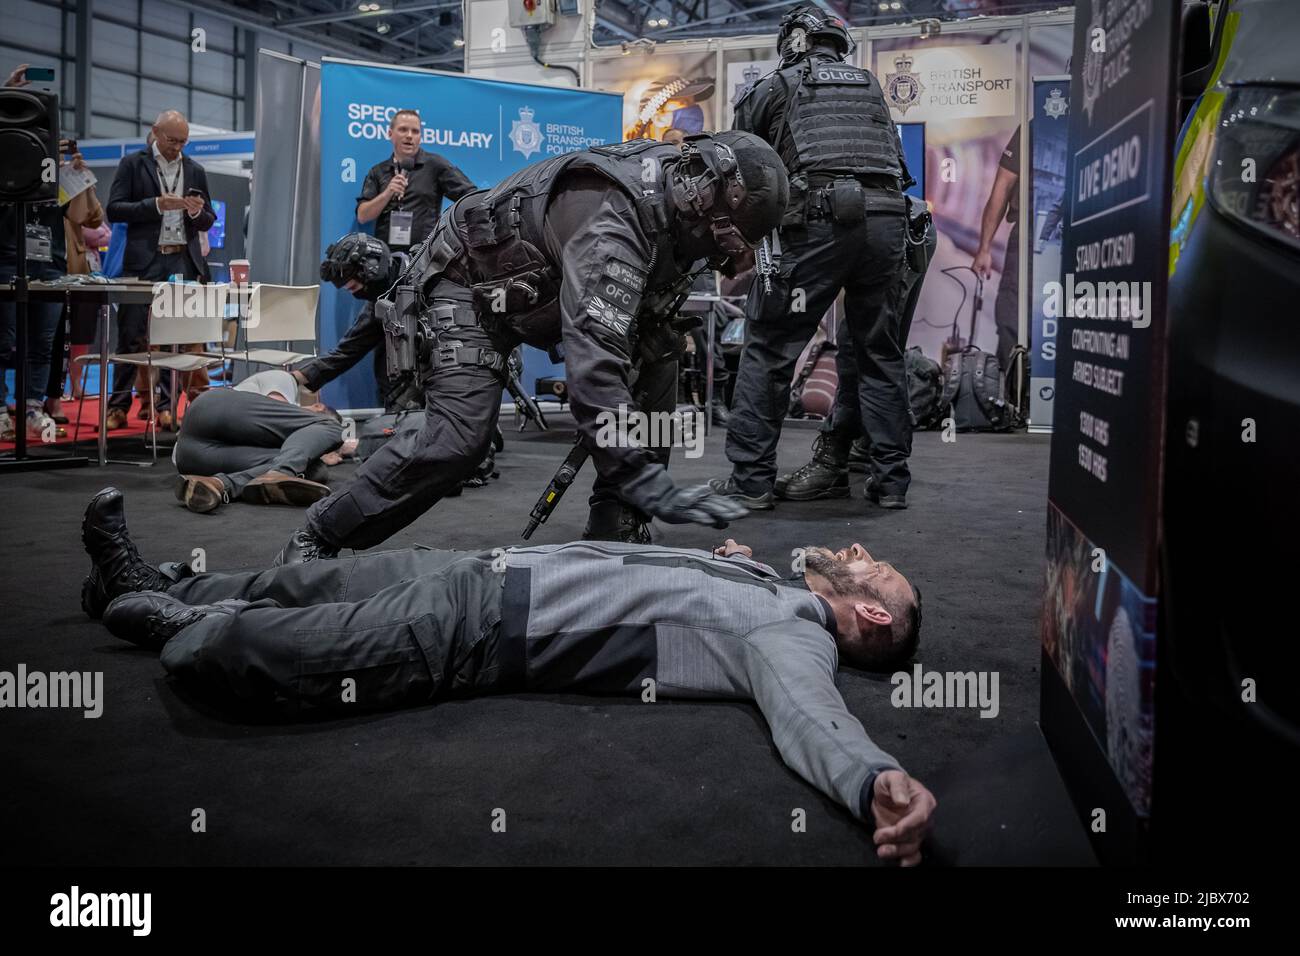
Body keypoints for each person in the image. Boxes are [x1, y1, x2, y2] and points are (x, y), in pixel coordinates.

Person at [80, 486, 936, 865]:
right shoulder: (770, 584)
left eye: (876, 569)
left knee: (295, 646)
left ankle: (186, 630)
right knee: (311, 580)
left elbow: (810, 718)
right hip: (484, 568)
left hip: (489, 628)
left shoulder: (796, 638)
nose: (862, 553)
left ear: (868, 616)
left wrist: (875, 781)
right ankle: (156, 584)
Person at [279, 129, 787, 565]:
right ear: (702, 194)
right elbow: (594, 364)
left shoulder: (679, 202)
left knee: (660, 356)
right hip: (466, 289)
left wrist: (637, 478)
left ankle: (616, 526)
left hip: (532, 292)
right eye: (724, 237)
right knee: (458, 441)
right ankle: (320, 534)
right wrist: (643, 477)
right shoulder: (613, 218)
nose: (724, 255)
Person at [710, 5, 918, 512]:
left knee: (770, 348)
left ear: (793, 41)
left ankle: (751, 481)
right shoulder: (870, 86)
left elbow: (741, 164)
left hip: (821, 224)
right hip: (889, 223)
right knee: (879, 354)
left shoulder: (775, 87)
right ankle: (890, 482)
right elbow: (897, 164)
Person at [777, 198, 937, 501]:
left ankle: (839, 460)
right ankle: (872, 458)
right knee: (874, 350)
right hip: (892, 222)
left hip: (889, 226)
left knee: (863, 349)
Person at [351, 109, 477, 404]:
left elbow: (469, 196)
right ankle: (391, 408)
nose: (410, 136)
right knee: (386, 339)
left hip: (425, 267)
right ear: (390, 134)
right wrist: (387, 194)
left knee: (424, 336)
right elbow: (362, 214)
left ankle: (425, 407)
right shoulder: (379, 172)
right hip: (385, 272)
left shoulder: (434, 165)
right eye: (404, 130)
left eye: (415, 131)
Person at [104, 110, 215, 431]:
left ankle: (168, 407)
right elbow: (114, 209)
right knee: (130, 336)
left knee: (174, 339)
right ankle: (119, 406)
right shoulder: (133, 165)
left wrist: (196, 213)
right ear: (155, 132)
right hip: (143, 261)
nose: (176, 148)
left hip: (182, 260)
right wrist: (155, 205)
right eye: (171, 140)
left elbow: (208, 219)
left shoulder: (195, 170)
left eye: (183, 142)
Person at [172, 368, 351, 514]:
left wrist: (310, 453)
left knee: (316, 470)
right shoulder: (284, 380)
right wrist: (317, 446)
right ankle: (280, 472)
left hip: (190, 458)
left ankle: (217, 485)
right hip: (211, 409)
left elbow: (293, 447)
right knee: (333, 427)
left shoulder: (291, 443)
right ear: (318, 407)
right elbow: (280, 415)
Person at [972, 126, 1021, 373]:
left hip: (1035, 235)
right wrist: (984, 248)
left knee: (1012, 319)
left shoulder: (1036, 125)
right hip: (1031, 234)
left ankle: (1016, 398)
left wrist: (985, 248)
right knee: (1012, 320)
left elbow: (1002, 186)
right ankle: (1013, 396)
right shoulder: (1035, 127)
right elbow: (1002, 186)